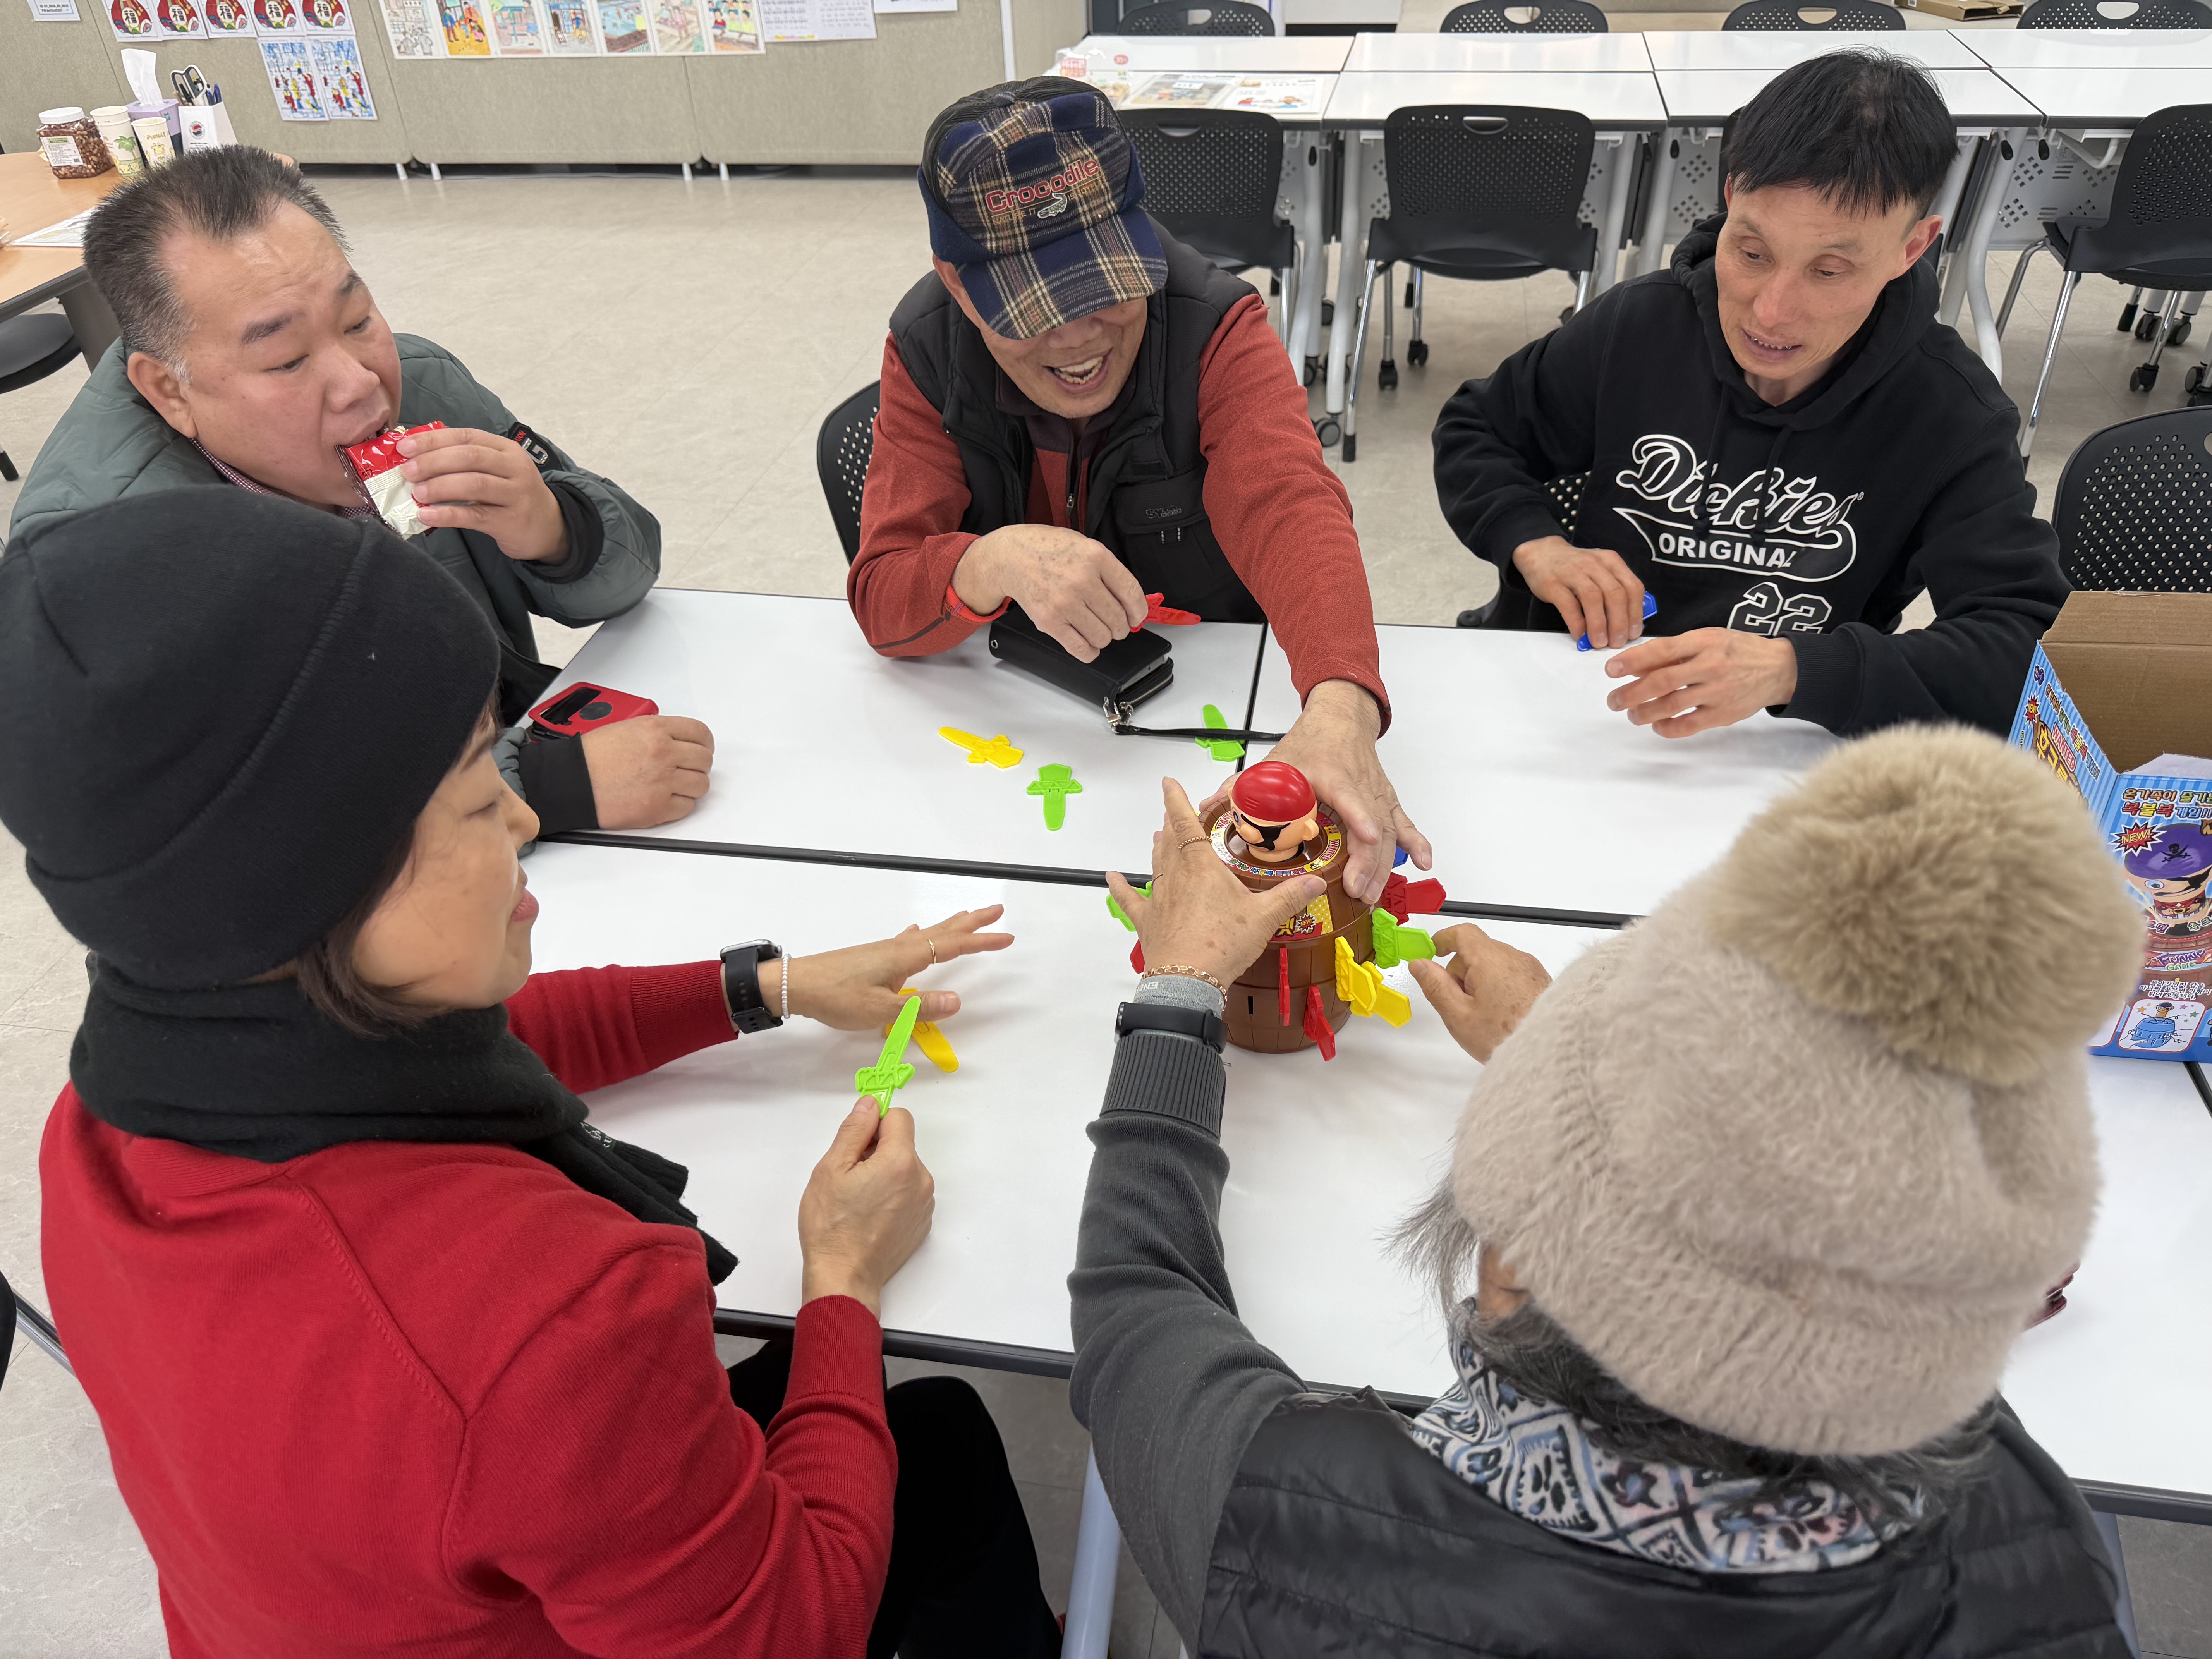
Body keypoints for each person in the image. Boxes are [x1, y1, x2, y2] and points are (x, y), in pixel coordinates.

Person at [2, 491, 1062, 1659]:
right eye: (474, 793)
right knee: (943, 1436)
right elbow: (790, 1628)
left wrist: (768, 985)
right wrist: (843, 1278)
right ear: (323, 883)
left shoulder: (106, 1117)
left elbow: (475, 1040)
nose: (519, 815)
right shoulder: (552, 1318)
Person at [1073, 726, 2142, 1656]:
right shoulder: (2037, 1540)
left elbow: (1137, 1298)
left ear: (1516, 1262)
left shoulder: (1284, 1527)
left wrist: (1181, 987)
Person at [9, 144, 707, 839]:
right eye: (287, 360)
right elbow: (221, 844)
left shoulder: (425, 383)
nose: (362, 383)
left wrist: (558, 530)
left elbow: (627, 578)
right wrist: (537, 790)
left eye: (358, 321)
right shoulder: (102, 563)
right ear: (170, 391)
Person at [851, 77, 1424, 903]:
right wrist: (989, 560)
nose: (1079, 337)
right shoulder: (926, 347)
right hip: (1006, 763)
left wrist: (1340, 709)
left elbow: (1291, 504)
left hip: (1209, 727)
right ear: (957, 283)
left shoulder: (1213, 324)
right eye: (1034, 308)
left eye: (1106, 287)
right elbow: (882, 593)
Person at [1433, 51, 2068, 740]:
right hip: (1575, 698)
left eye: (1830, 271)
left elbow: (2025, 644)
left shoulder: (1951, 414)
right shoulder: (1640, 327)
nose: (1770, 313)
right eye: (1752, 253)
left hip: (1782, 740)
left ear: (1911, 249)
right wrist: (1537, 546)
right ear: (1731, 198)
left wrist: (1795, 669)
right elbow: (1477, 429)